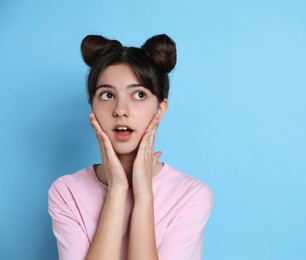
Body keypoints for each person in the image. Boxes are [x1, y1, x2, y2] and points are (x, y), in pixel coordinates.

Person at [48, 34, 214, 260]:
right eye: (107, 95)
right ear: (92, 107)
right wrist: (117, 190)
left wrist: (143, 195)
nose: (120, 110)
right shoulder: (67, 193)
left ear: (160, 109)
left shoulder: (191, 196)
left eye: (139, 94)